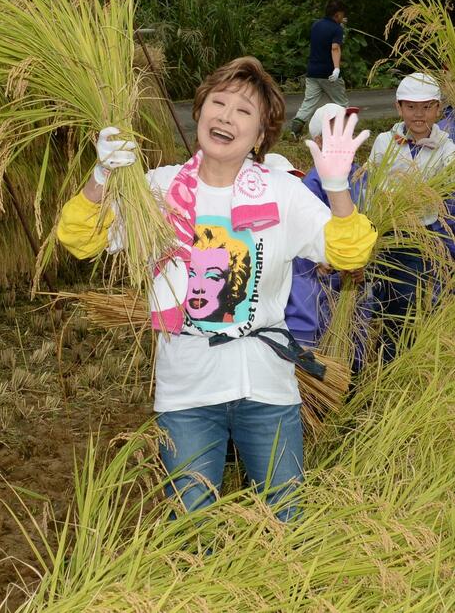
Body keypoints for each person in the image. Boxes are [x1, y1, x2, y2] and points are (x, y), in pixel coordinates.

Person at [57, 56, 377, 521]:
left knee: (285, 517)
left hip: (266, 387)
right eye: (218, 102)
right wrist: (101, 178)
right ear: (200, 110)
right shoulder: (159, 190)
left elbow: (350, 253)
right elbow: (80, 239)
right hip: (186, 388)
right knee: (190, 524)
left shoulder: (280, 193)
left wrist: (336, 186)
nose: (226, 115)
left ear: (261, 135)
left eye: (243, 111)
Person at [368, 72, 455, 361]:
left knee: (405, 301)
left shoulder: (447, 149)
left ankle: (393, 359)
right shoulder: (384, 142)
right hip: (383, 233)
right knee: (374, 297)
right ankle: (370, 353)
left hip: (418, 239)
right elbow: (371, 186)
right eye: (411, 107)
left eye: (427, 107)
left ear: (439, 109)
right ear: (398, 107)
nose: (419, 114)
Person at [285, 104, 374, 373]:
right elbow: (304, 248)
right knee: (323, 350)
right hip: (322, 290)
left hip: (355, 284)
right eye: (333, 132)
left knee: (354, 344)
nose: (341, 140)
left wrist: (363, 265)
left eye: (346, 130)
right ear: (319, 141)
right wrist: (332, 264)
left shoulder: (363, 176)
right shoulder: (309, 187)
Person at [291, 0, 349, 137]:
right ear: (337, 14)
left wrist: (340, 24)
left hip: (312, 72)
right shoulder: (337, 29)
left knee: (309, 103)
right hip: (329, 73)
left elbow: (324, 34)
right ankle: (345, 131)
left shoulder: (316, 25)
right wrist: (336, 69)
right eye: (342, 14)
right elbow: (335, 48)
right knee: (341, 103)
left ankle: (295, 130)